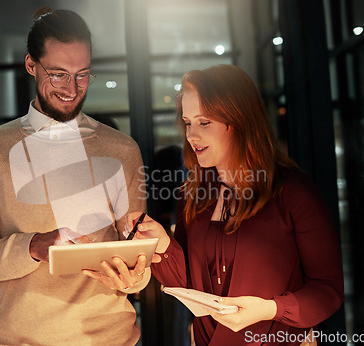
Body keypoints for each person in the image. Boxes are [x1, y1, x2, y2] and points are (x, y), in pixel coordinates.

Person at [0, 7, 150, 345]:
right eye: (58, 74)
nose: (72, 88)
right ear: (31, 65)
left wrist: (133, 277)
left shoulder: (122, 149)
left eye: (83, 74)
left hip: (112, 339)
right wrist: (34, 246)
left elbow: (138, 257)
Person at [127, 65, 344, 345]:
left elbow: (328, 291)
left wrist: (270, 309)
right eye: (187, 122)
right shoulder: (194, 194)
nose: (191, 134)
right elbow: (188, 286)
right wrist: (162, 244)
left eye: (204, 122)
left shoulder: (294, 192)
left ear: (239, 120)